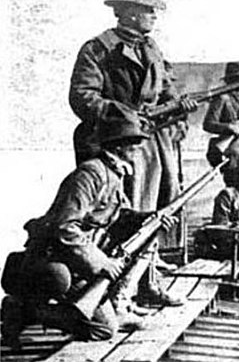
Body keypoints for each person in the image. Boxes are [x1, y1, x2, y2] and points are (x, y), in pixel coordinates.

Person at [1, 111, 183, 347]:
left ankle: (32, 312)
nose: (139, 150)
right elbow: (65, 227)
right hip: (54, 258)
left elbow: (119, 217)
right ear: (119, 147)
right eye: (134, 144)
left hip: (80, 263)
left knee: (104, 329)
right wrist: (101, 263)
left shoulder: (114, 174)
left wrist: (151, 219)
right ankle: (20, 310)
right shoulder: (90, 174)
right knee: (59, 278)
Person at [68, 0, 198, 251]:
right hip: (116, 140)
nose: (154, 15)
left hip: (154, 141)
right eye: (148, 9)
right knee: (125, 207)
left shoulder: (151, 48)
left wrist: (177, 106)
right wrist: (124, 115)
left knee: (162, 203)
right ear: (130, 12)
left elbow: (164, 90)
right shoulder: (98, 49)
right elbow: (82, 97)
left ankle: (150, 263)